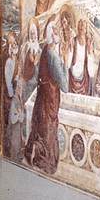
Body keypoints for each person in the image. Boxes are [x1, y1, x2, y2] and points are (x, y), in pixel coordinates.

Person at [24, 21, 68, 174]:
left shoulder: (44, 50)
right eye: (56, 32)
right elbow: (65, 87)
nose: (59, 34)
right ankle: (45, 164)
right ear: (52, 35)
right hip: (50, 99)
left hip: (42, 97)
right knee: (48, 129)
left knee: (39, 127)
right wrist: (65, 62)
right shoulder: (53, 55)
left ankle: (34, 157)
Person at [66, 18, 95, 96]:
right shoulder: (73, 41)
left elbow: (91, 69)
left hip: (84, 76)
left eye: (83, 27)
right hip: (72, 75)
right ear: (77, 28)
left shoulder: (88, 43)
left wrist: (90, 51)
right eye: (80, 27)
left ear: (86, 30)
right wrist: (70, 48)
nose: (81, 28)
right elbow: (68, 64)